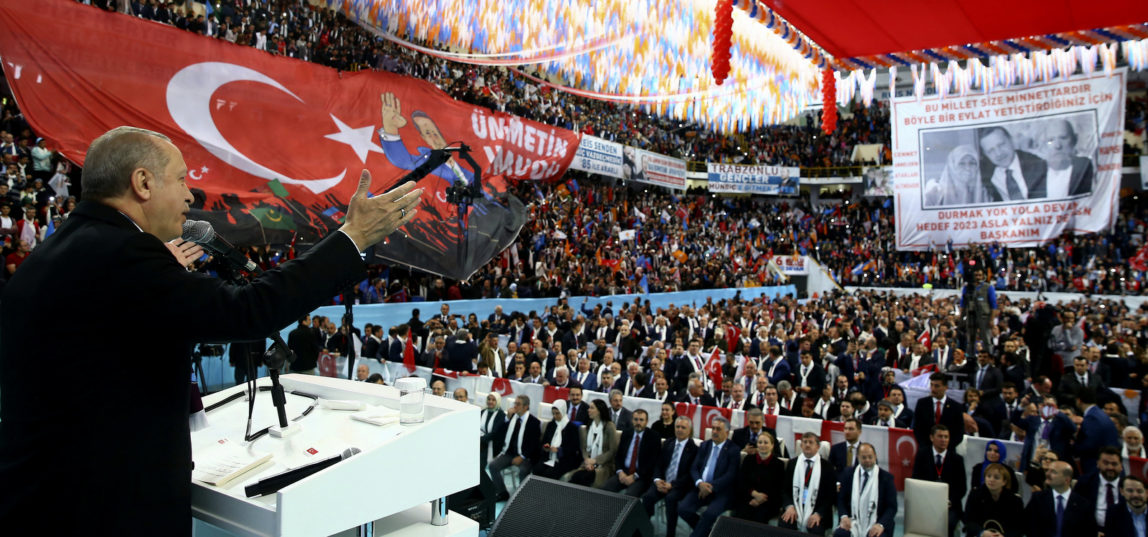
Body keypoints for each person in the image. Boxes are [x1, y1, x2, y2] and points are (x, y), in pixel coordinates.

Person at [0, 126, 421, 534]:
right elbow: (250, 310)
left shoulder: (59, 253)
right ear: (142, 183)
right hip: (102, 510)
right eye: (181, 179)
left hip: (45, 500)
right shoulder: (124, 256)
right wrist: (353, 236)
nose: (189, 194)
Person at [679, 417, 740, 537]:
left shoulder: (733, 449)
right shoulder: (704, 445)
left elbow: (730, 475)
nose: (715, 432)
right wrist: (700, 483)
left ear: (727, 433)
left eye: (718, 429)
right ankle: (707, 533)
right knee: (683, 509)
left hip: (721, 491)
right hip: (701, 488)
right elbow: (694, 468)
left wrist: (711, 487)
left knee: (709, 514)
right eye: (713, 428)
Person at [642, 416, 698, 537]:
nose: (679, 430)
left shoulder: (694, 449)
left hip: (679, 486)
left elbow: (689, 475)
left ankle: (670, 533)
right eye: (677, 427)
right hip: (662, 482)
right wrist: (657, 480)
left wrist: (672, 485)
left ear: (689, 430)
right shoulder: (668, 443)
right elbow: (658, 464)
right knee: (647, 497)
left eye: (683, 427)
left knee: (671, 499)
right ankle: (644, 528)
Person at [912, 425, 966, 537]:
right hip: (926, 503)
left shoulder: (957, 459)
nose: (943, 440)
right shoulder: (922, 455)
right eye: (940, 436)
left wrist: (949, 502)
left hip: (950, 506)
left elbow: (962, 488)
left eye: (946, 437)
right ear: (932, 437)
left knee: (948, 524)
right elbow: (916, 481)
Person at [833, 443, 897, 537]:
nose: (867, 460)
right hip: (853, 521)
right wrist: (844, 516)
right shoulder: (848, 474)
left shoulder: (886, 478)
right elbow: (841, 499)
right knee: (840, 534)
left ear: (875, 456)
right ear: (858, 457)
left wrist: (880, 525)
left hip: (877, 522)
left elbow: (891, 507)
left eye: (870, 457)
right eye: (864, 457)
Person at [780, 432, 837, 535]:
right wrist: (789, 507)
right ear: (801, 445)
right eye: (805, 442)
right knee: (785, 524)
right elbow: (784, 490)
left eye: (811, 442)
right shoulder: (792, 463)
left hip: (817, 510)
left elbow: (831, 496)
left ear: (818, 446)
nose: (807, 445)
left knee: (816, 529)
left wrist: (818, 514)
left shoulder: (827, 467)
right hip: (795, 507)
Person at [486, 395, 541, 501]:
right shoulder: (512, 418)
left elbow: (534, 444)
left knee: (523, 470)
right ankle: (502, 493)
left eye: (518, 404)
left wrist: (522, 456)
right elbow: (499, 431)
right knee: (493, 466)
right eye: (514, 403)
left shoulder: (534, 422)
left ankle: (522, 497)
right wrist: (507, 418)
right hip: (509, 453)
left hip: (526, 455)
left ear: (526, 407)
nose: (515, 406)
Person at [1024, 461, 1097, 536]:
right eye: (1048, 470)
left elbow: (1089, 532)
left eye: (1053, 472)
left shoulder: (1083, 504)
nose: (1047, 474)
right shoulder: (1038, 499)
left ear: (1067, 480)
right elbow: (1028, 525)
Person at [976, 125, 1047, 202]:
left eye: (1001, 145)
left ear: (1011, 140)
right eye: (991, 151)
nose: (998, 153)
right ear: (986, 155)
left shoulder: (1038, 165)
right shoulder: (987, 176)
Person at [601, 409, 660, 496]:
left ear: (647, 421)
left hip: (641, 476)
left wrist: (634, 476)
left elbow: (651, 463)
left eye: (641, 420)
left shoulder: (653, 437)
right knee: (605, 489)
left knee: (629, 496)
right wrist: (620, 472)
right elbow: (618, 456)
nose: (638, 422)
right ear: (632, 420)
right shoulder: (626, 433)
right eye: (636, 419)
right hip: (624, 472)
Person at [733, 430, 785, 525]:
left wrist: (761, 499)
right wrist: (754, 494)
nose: (762, 445)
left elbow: (778, 488)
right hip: (749, 498)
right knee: (740, 515)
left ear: (772, 445)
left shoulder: (779, 464)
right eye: (760, 442)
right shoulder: (748, 460)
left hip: (769, 502)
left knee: (759, 517)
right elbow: (742, 481)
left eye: (766, 442)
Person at [962, 462, 1024, 537]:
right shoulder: (975, 495)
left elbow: (1019, 527)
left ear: (1004, 482)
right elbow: (968, 521)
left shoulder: (1015, 500)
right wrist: (982, 533)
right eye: (988, 476)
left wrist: (1004, 536)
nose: (991, 480)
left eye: (996, 477)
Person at [1074, 445, 1125, 529]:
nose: (1110, 467)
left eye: (1114, 464)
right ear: (1098, 463)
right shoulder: (1085, 483)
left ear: (1121, 466)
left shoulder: (1128, 485)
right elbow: (1077, 513)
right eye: (1106, 463)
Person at [569, 399, 617, 487]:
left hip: (604, 465)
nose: (588, 410)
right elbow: (584, 448)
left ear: (599, 411)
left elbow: (612, 451)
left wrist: (595, 461)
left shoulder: (610, 426)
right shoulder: (589, 426)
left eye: (591, 408)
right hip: (588, 464)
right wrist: (588, 461)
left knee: (584, 478)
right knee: (575, 477)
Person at [924, 145, 990, 208]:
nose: (968, 168)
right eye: (961, 163)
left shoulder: (984, 193)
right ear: (952, 166)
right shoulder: (935, 192)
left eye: (972, 163)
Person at [912, 372, 966, 449]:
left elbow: (959, 432)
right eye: (931, 385)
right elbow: (917, 428)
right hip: (926, 450)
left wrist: (945, 447)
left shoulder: (956, 407)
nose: (933, 389)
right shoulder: (922, 403)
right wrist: (927, 447)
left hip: (947, 452)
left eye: (937, 386)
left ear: (945, 387)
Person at [1075, 388, 1121, 477]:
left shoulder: (1092, 417)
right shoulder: (1100, 414)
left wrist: (1075, 447)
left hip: (1096, 465)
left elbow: (1090, 444)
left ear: (1079, 400)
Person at [1042, 119, 1093, 198]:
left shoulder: (1086, 167)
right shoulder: (1035, 174)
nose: (1057, 146)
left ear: (1075, 139)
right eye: (1051, 140)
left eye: (1063, 138)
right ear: (1044, 144)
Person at [533, 400, 581, 479]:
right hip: (549, 458)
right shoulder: (551, 425)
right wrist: (546, 446)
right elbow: (544, 441)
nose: (555, 416)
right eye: (553, 413)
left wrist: (559, 450)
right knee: (537, 470)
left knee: (549, 474)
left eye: (557, 413)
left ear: (563, 411)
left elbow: (574, 448)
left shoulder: (572, 428)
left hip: (564, 461)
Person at [961, 269, 997, 356]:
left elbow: (993, 304)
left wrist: (992, 319)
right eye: (976, 275)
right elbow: (963, 303)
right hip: (970, 315)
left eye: (979, 275)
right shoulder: (967, 287)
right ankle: (970, 358)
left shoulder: (988, 287)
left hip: (984, 316)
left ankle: (989, 358)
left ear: (983, 276)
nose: (977, 277)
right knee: (970, 339)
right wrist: (961, 318)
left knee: (986, 339)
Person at [829, 418, 864, 486]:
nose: (847, 432)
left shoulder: (866, 450)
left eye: (851, 429)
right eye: (845, 428)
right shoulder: (836, 449)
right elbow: (830, 471)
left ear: (859, 432)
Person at [480, 393, 506, 464]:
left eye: (493, 400)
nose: (490, 401)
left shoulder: (501, 415)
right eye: (489, 399)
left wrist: (480, 440)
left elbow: (495, 433)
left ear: (497, 401)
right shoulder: (482, 412)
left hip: (493, 444)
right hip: (482, 441)